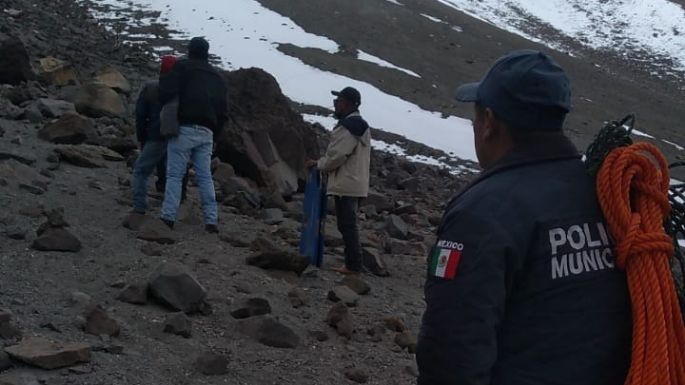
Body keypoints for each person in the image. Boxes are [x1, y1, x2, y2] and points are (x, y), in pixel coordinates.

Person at [416, 50, 631, 385]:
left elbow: (452, 352)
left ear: (489, 123)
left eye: (475, 117)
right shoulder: (604, 194)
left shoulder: (483, 212)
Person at [158, 37, 227, 233]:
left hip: (184, 128)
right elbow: (223, 111)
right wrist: (217, 136)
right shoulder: (217, 77)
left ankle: (168, 217)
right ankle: (211, 221)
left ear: (190, 50)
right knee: (205, 177)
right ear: (207, 52)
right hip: (207, 132)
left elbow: (165, 92)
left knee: (174, 174)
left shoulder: (182, 67)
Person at [306, 87, 371, 275]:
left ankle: (353, 265)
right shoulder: (358, 125)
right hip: (355, 182)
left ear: (349, 104)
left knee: (347, 225)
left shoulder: (350, 127)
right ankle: (354, 263)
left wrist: (318, 164)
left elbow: (337, 155)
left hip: (347, 183)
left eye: (339, 101)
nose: (336, 105)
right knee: (348, 224)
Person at [132, 55, 178, 214]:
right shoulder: (181, 92)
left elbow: (140, 115)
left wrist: (141, 138)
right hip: (175, 136)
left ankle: (139, 206)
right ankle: (171, 205)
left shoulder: (150, 88)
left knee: (140, 171)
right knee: (171, 172)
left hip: (155, 135)